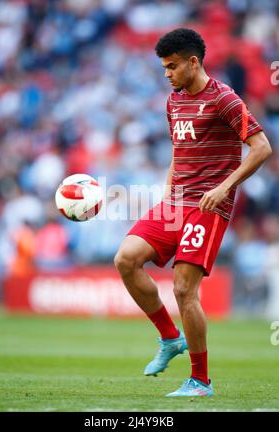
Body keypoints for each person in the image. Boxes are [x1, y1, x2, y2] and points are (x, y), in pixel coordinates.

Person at [114, 28, 272, 397]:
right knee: (125, 259)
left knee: (184, 289)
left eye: (171, 66)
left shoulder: (225, 99)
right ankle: (170, 338)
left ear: (193, 62)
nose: (167, 74)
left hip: (208, 205)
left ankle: (200, 380)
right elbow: (178, 151)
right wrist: (168, 189)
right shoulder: (173, 101)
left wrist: (223, 188)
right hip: (176, 201)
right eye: (164, 68)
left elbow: (262, 147)